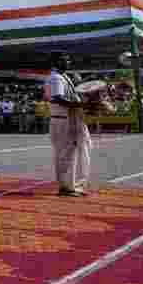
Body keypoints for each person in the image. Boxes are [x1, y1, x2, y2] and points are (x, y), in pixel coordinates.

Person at [45, 52, 91, 197]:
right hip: (62, 120)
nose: (69, 62)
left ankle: (71, 185)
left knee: (71, 153)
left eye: (68, 60)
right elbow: (57, 99)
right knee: (65, 154)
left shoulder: (62, 76)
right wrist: (82, 104)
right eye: (65, 60)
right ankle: (65, 187)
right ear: (56, 62)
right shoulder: (55, 78)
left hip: (68, 118)